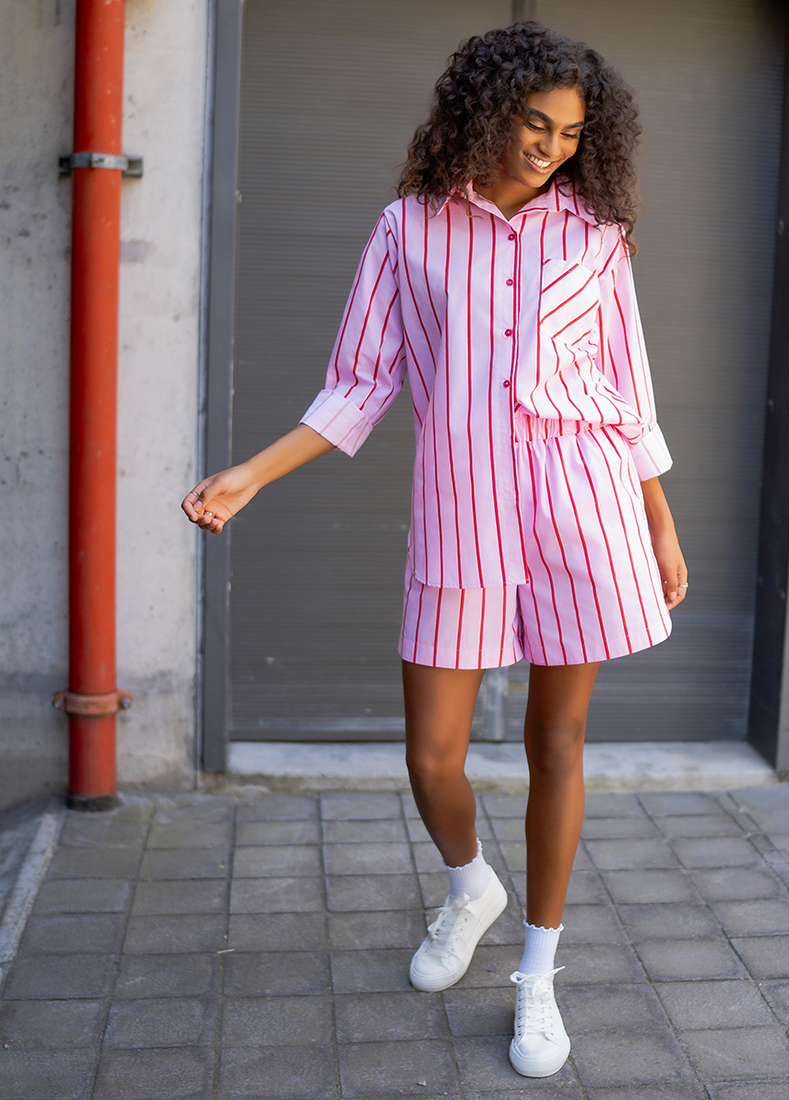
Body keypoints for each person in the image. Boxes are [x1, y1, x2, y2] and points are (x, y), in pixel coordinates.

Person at [182, 21, 687, 1079]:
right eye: (530, 123)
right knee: (432, 753)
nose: (547, 147)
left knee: (559, 742)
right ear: (483, 108)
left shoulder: (595, 235)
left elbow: (626, 393)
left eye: (567, 133)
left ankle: (537, 977)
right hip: (462, 511)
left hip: (578, 508)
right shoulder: (408, 230)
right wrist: (249, 474)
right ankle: (470, 887)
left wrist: (658, 521)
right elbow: (357, 384)